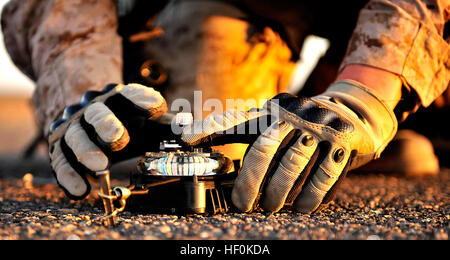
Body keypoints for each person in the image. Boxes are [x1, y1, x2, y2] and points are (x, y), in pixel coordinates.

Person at [1, 0, 448, 213]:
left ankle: (342, 122)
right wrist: (82, 89)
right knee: (219, 146)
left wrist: (367, 91)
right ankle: (305, 130)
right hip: (195, 13)